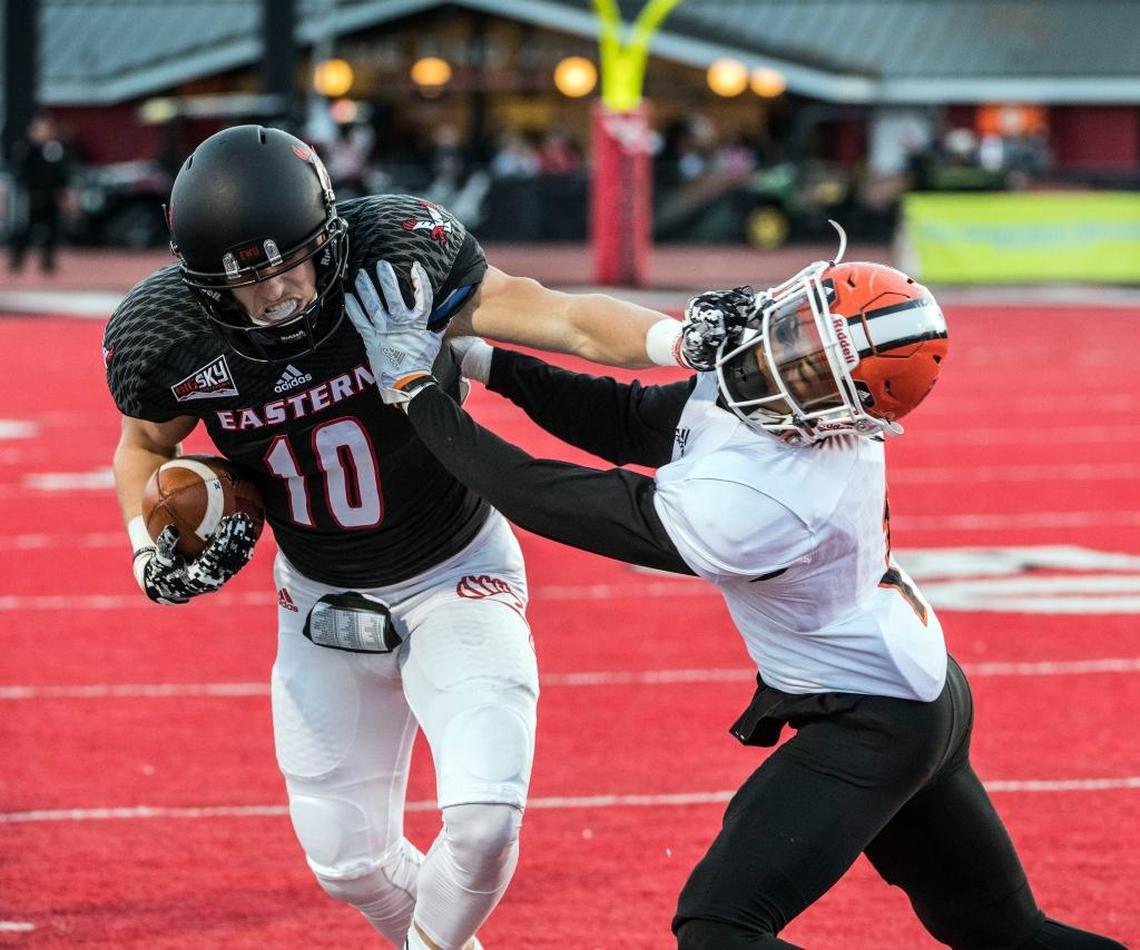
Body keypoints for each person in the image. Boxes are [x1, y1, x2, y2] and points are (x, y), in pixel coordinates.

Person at [342, 237, 1128, 950]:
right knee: (1000, 929)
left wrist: (416, 391)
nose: (781, 358)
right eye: (795, 329)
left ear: (844, 415)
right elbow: (623, 418)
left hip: (873, 717)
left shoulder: (772, 504)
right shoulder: (780, 405)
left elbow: (544, 496)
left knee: (722, 927)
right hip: (914, 684)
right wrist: (478, 358)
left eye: (815, 366)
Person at [102, 124, 699, 950]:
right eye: (247, 283)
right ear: (205, 287)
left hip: (455, 571)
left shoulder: (396, 259)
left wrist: (683, 339)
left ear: (328, 238)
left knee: (485, 821)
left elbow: (561, 318)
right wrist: (145, 545)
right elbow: (144, 445)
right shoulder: (168, 336)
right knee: (347, 865)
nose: (275, 297)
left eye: (289, 266)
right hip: (317, 596)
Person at [7, 113, 74, 275]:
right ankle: (17, 261)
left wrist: (63, 193)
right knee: (26, 230)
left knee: (52, 229)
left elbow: (61, 173)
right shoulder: (26, 149)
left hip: (51, 196)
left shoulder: (55, 149)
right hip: (31, 196)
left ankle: (48, 263)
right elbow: (21, 174)